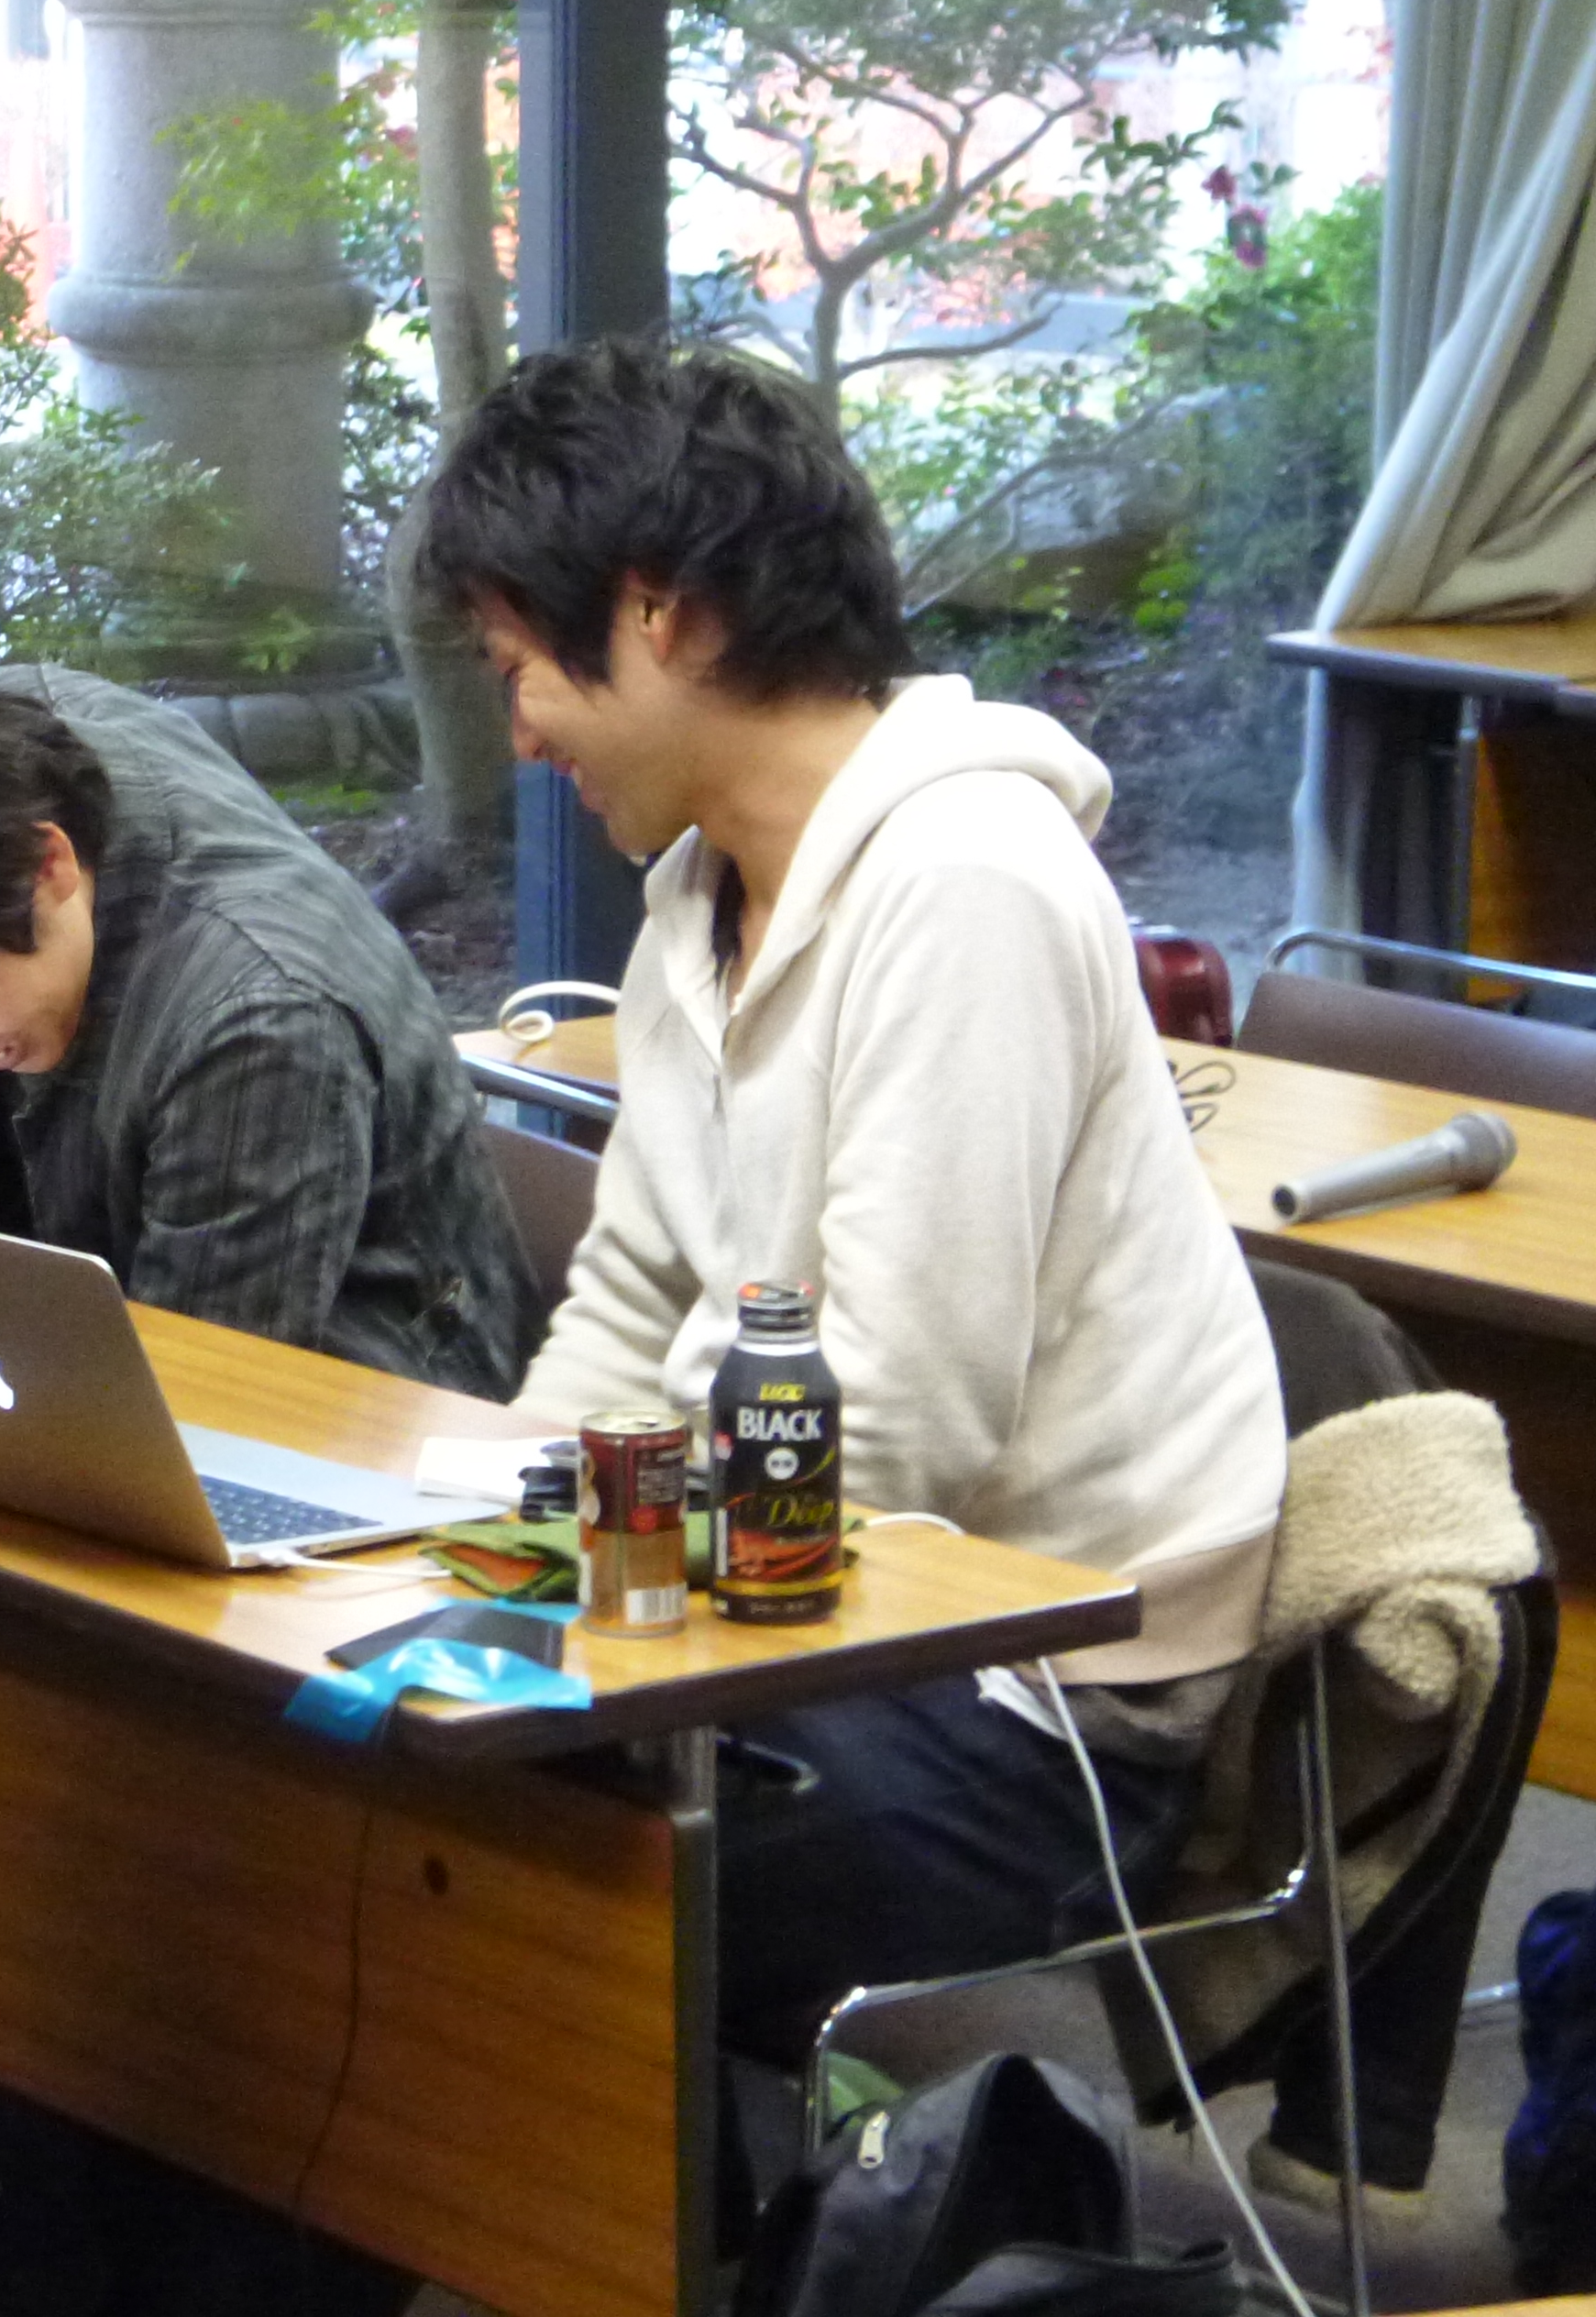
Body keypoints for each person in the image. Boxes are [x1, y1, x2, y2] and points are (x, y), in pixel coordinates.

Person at [413, 337, 1288, 2061]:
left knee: (490, 1895)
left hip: (1040, 1695)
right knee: (384, 1778)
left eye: (524, 671)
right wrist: (479, 1546)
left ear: (660, 613)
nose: (519, 734)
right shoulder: (699, 904)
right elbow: (633, 1299)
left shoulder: (969, 882)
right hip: (799, 1604)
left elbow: (897, 1433)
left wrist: (573, 1594)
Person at [0, 667, 533, 1400]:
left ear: (49, 869)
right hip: (107, 1340)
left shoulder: (257, 1022)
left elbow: (199, 1403)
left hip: (378, 1409)